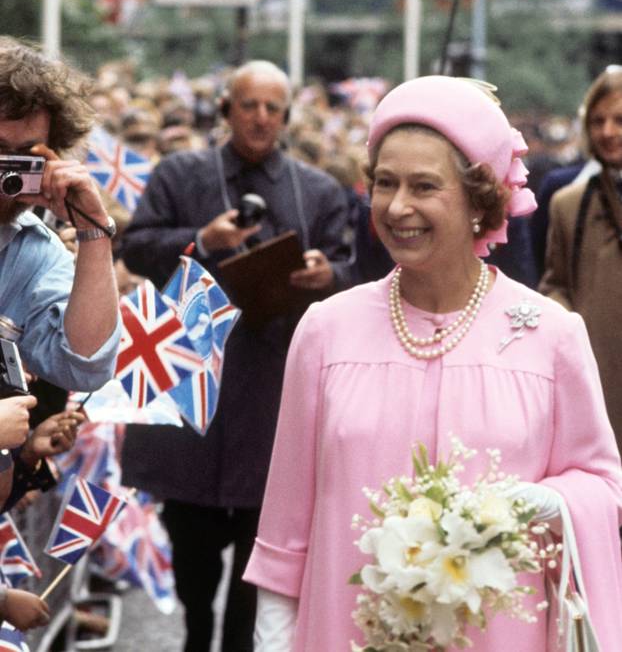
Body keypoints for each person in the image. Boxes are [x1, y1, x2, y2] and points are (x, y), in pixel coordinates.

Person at [243, 75, 622, 651]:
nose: (398, 207)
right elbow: (284, 532)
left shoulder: (552, 336)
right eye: (385, 183)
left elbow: (604, 485)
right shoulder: (325, 330)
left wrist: (547, 502)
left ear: (479, 200)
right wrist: (272, 642)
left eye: (424, 186)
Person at [119, 60, 352, 652]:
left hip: (274, 394)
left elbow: (353, 272)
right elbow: (136, 248)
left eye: (274, 108)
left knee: (260, 556)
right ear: (226, 109)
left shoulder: (318, 190)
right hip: (194, 390)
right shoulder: (180, 174)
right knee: (192, 551)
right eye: (249, 105)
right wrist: (203, 241)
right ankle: (197, 634)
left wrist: (327, 274)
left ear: (287, 116)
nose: (261, 118)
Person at [0, 36, 120, 394]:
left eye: (26, 156)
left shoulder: (33, 252)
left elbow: (85, 366)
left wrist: (93, 229)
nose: (8, 172)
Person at [540, 65, 622, 452]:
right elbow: (553, 283)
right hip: (596, 374)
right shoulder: (568, 204)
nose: (607, 131)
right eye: (598, 121)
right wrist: (567, 323)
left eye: (619, 120)